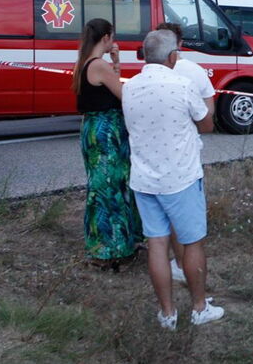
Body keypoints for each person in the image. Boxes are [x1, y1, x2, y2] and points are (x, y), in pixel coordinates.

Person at [123, 30, 223, 329]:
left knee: (157, 244)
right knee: (192, 243)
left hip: (144, 178)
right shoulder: (181, 85)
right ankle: (199, 307)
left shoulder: (129, 87)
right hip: (180, 177)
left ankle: (167, 313)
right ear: (172, 56)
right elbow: (206, 124)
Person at [72, 18, 143, 270]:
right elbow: (123, 95)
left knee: (101, 183)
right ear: (105, 38)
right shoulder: (99, 65)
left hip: (92, 129)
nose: (113, 42)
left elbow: (106, 89)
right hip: (107, 132)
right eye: (111, 38)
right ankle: (112, 246)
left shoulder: (84, 62)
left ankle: (104, 244)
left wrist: (116, 63)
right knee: (112, 186)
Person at [156, 22, 216, 285]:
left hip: (153, 155)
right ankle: (183, 266)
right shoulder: (195, 71)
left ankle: (174, 261)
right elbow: (209, 114)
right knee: (186, 219)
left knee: (160, 222)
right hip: (186, 154)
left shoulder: (146, 74)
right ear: (180, 44)